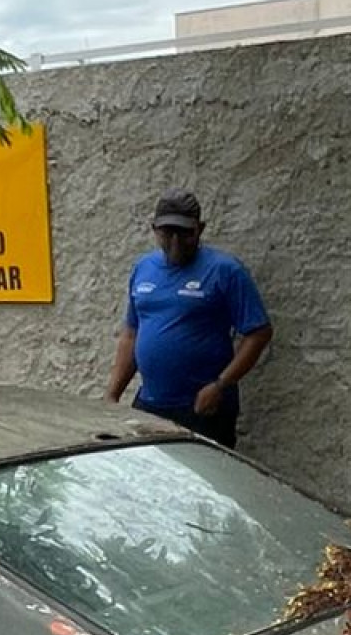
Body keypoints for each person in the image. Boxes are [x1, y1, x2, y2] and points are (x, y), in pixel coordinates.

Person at [105, 189, 273, 449]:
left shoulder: (225, 271)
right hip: (150, 405)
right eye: (167, 233)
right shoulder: (143, 268)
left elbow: (258, 333)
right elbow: (131, 333)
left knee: (206, 474)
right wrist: (112, 396)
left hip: (203, 407)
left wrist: (220, 385)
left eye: (184, 233)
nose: (175, 241)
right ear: (154, 229)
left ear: (200, 229)